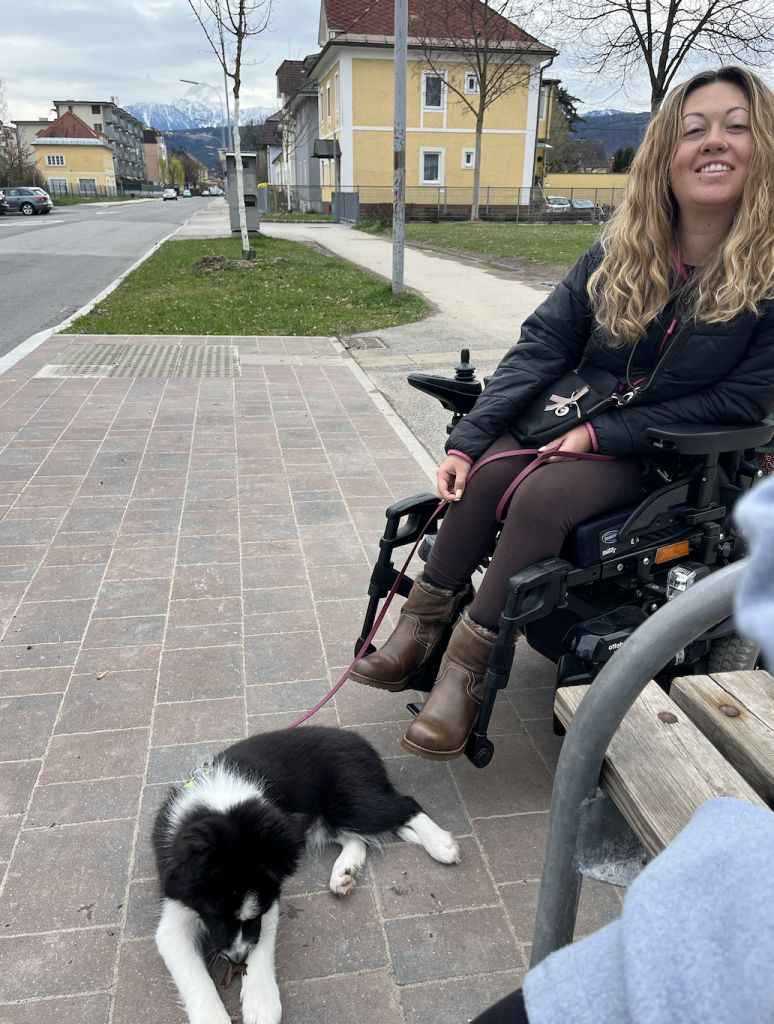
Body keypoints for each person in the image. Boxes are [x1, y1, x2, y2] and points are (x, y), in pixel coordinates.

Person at [350, 65, 774, 761]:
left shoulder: (767, 276)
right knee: (487, 474)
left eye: (737, 127)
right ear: (666, 154)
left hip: (669, 451)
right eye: (694, 129)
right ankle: (418, 632)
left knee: (541, 498)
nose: (713, 142)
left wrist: (602, 433)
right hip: (575, 418)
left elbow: (742, 400)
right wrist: (468, 441)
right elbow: (544, 344)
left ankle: (466, 675)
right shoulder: (620, 249)